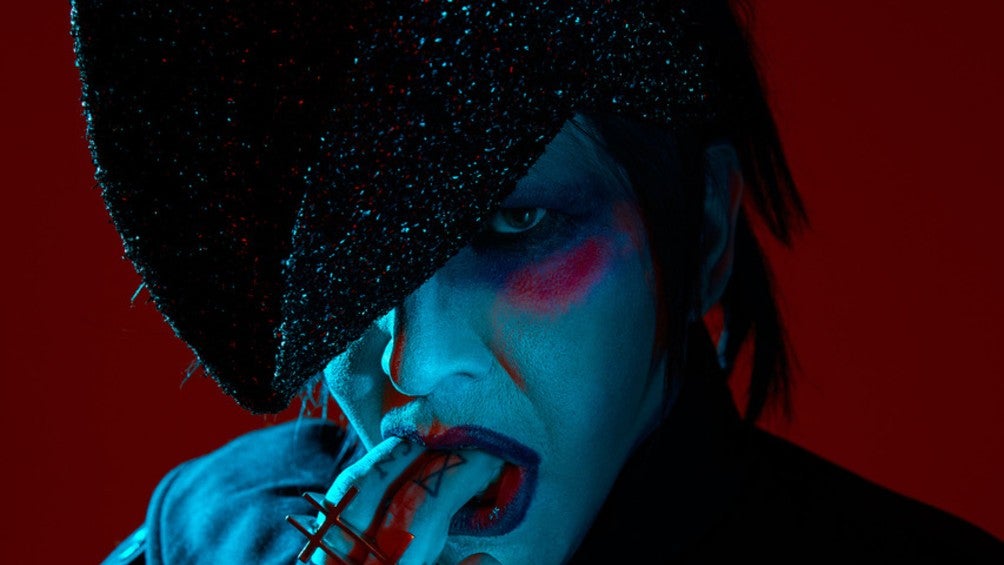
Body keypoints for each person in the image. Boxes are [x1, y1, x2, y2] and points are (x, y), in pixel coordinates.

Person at [72, 0, 1002, 563]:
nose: (414, 363)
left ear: (707, 235)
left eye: (514, 226)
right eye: (348, 265)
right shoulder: (201, 541)